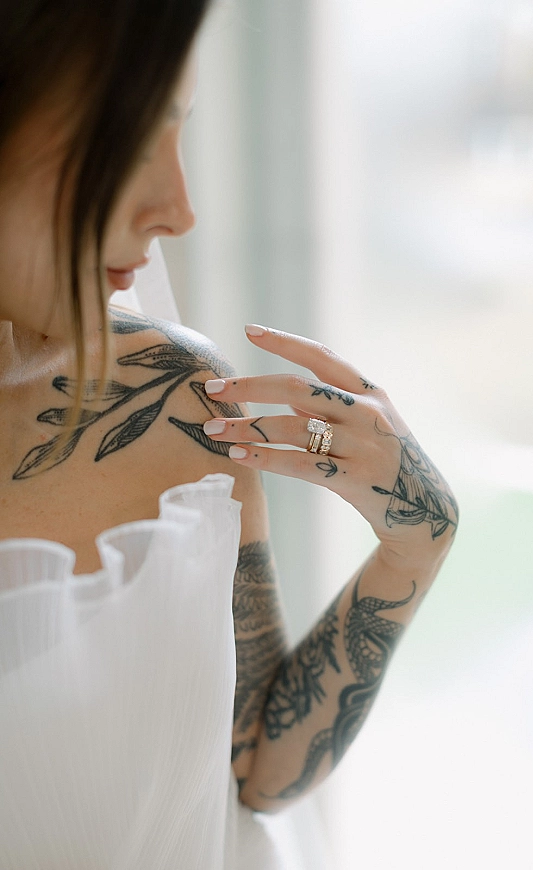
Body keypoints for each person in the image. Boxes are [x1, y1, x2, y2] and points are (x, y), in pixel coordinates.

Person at [0, 1, 458, 867]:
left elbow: (252, 769)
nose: (179, 211)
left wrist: (414, 546)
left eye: (180, 129)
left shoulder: (170, 396)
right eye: (127, 136)